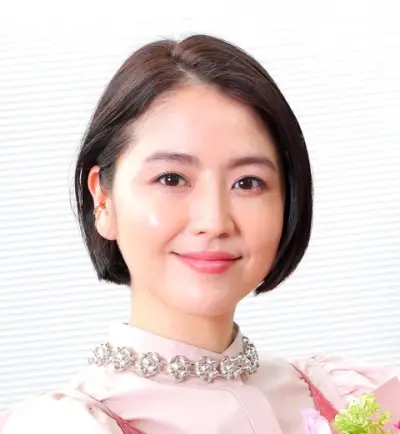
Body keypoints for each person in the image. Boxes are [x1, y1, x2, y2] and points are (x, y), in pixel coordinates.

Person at [1, 34, 398, 434]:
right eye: (171, 178)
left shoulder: (350, 397)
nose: (215, 220)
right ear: (103, 200)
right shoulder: (66, 425)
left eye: (247, 182)